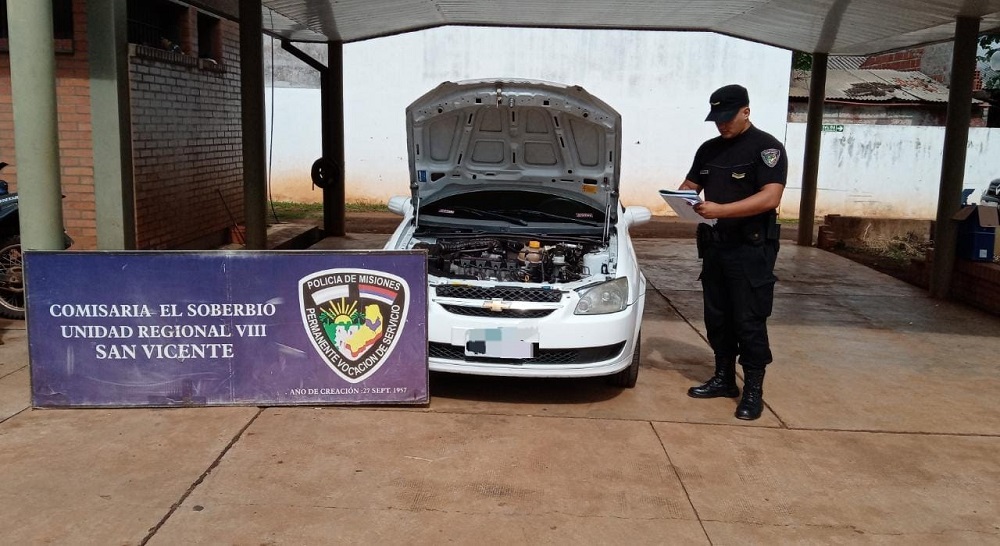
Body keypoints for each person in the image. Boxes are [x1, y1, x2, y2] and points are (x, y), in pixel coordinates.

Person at [679, 84, 786, 420]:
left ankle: (753, 390)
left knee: (749, 319)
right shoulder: (709, 149)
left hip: (750, 249)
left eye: (728, 117)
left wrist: (721, 210)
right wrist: (680, 197)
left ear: (746, 111)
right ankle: (724, 378)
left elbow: (771, 197)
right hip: (715, 246)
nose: (721, 124)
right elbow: (689, 186)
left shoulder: (766, 148)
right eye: (717, 118)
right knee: (718, 317)